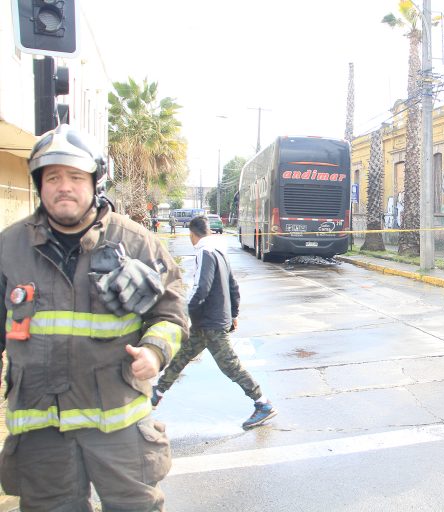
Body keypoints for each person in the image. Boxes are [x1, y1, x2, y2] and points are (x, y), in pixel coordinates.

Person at [0, 124, 188, 511]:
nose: (63, 186)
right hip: (41, 430)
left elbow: (171, 312)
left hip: (118, 425)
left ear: (95, 181)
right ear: (39, 184)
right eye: (52, 177)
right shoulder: (9, 246)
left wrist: (154, 352)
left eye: (74, 176)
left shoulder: (136, 242)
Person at [152, 215, 277, 429]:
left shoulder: (204, 252)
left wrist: (184, 312)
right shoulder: (219, 252)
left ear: (192, 234)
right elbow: (233, 286)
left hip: (211, 324)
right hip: (207, 323)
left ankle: (262, 403)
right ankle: (156, 394)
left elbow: (201, 288)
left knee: (231, 366)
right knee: (182, 357)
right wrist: (234, 314)